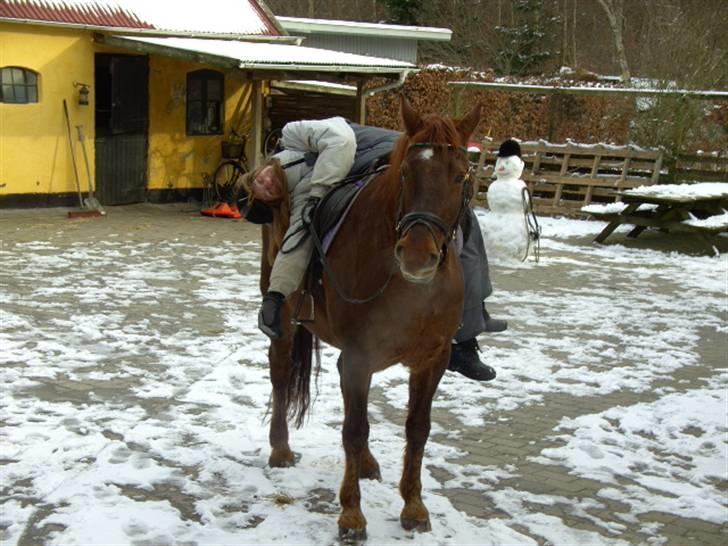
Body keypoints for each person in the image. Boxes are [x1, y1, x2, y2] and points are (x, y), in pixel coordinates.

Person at [239, 116, 506, 382]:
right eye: (268, 194)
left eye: (258, 182)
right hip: (355, 165)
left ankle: (471, 319)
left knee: (460, 209)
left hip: (364, 143)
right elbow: (293, 248)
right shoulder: (300, 200)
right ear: (278, 202)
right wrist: (275, 295)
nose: (267, 185)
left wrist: (320, 188)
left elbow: (339, 137)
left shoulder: (289, 136)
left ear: (256, 171)